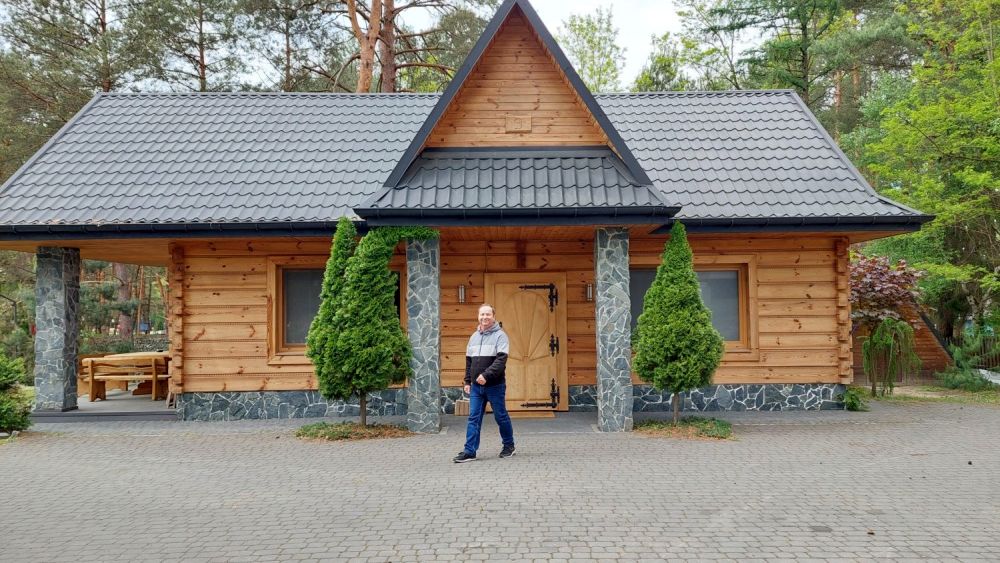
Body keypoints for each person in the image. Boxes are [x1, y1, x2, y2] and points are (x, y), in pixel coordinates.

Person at [453, 303, 516, 462]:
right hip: (476, 388)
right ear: (478, 317)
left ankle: (509, 446)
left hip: (495, 386)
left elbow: (501, 360)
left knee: (501, 417)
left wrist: (486, 375)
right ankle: (470, 451)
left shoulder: (500, 336)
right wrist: (467, 381)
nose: (485, 317)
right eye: (482, 314)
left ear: (493, 317)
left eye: (488, 314)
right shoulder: (474, 337)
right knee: (473, 418)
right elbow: (469, 361)